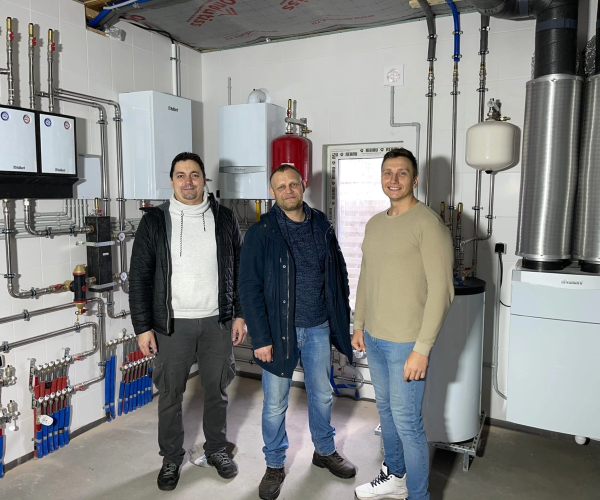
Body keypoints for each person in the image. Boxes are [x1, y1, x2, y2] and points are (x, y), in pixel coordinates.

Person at [129, 152, 246, 491]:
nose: (188, 182)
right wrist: (143, 328)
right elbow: (139, 277)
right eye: (181, 175)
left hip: (217, 322)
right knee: (170, 394)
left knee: (217, 391)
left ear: (204, 180)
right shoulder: (155, 221)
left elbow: (240, 271)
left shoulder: (224, 218)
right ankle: (171, 458)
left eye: (194, 174)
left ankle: (217, 449)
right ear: (171, 181)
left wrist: (240, 314)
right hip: (171, 325)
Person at [239, 164, 357, 500]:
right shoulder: (262, 232)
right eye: (281, 186)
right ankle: (275, 464)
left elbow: (338, 273)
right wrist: (261, 338)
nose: (288, 190)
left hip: (318, 327)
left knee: (322, 395)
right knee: (275, 404)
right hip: (279, 332)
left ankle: (324, 451)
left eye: (293, 184)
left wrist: (340, 318)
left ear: (303, 184)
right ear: (272, 192)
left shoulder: (321, 224)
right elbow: (248, 288)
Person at [352, 148, 454, 500]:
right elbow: (367, 277)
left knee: (408, 423)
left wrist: (422, 349)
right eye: (388, 172)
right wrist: (359, 323)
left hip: (406, 344)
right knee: (387, 413)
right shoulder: (375, 224)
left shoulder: (428, 225)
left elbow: (442, 291)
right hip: (375, 338)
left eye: (402, 173)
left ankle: (418, 495)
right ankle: (395, 477)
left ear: (415, 179)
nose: (393, 179)